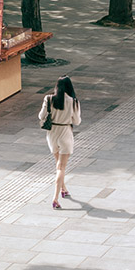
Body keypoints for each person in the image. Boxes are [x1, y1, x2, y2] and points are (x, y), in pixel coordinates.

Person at [39, 76, 81, 209]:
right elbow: (77, 121)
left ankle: (64, 189)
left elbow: (41, 116)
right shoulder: (73, 101)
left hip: (52, 133)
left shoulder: (48, 98)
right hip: (65, 133)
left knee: (58, 164)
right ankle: (55, 198)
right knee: (61, 167)